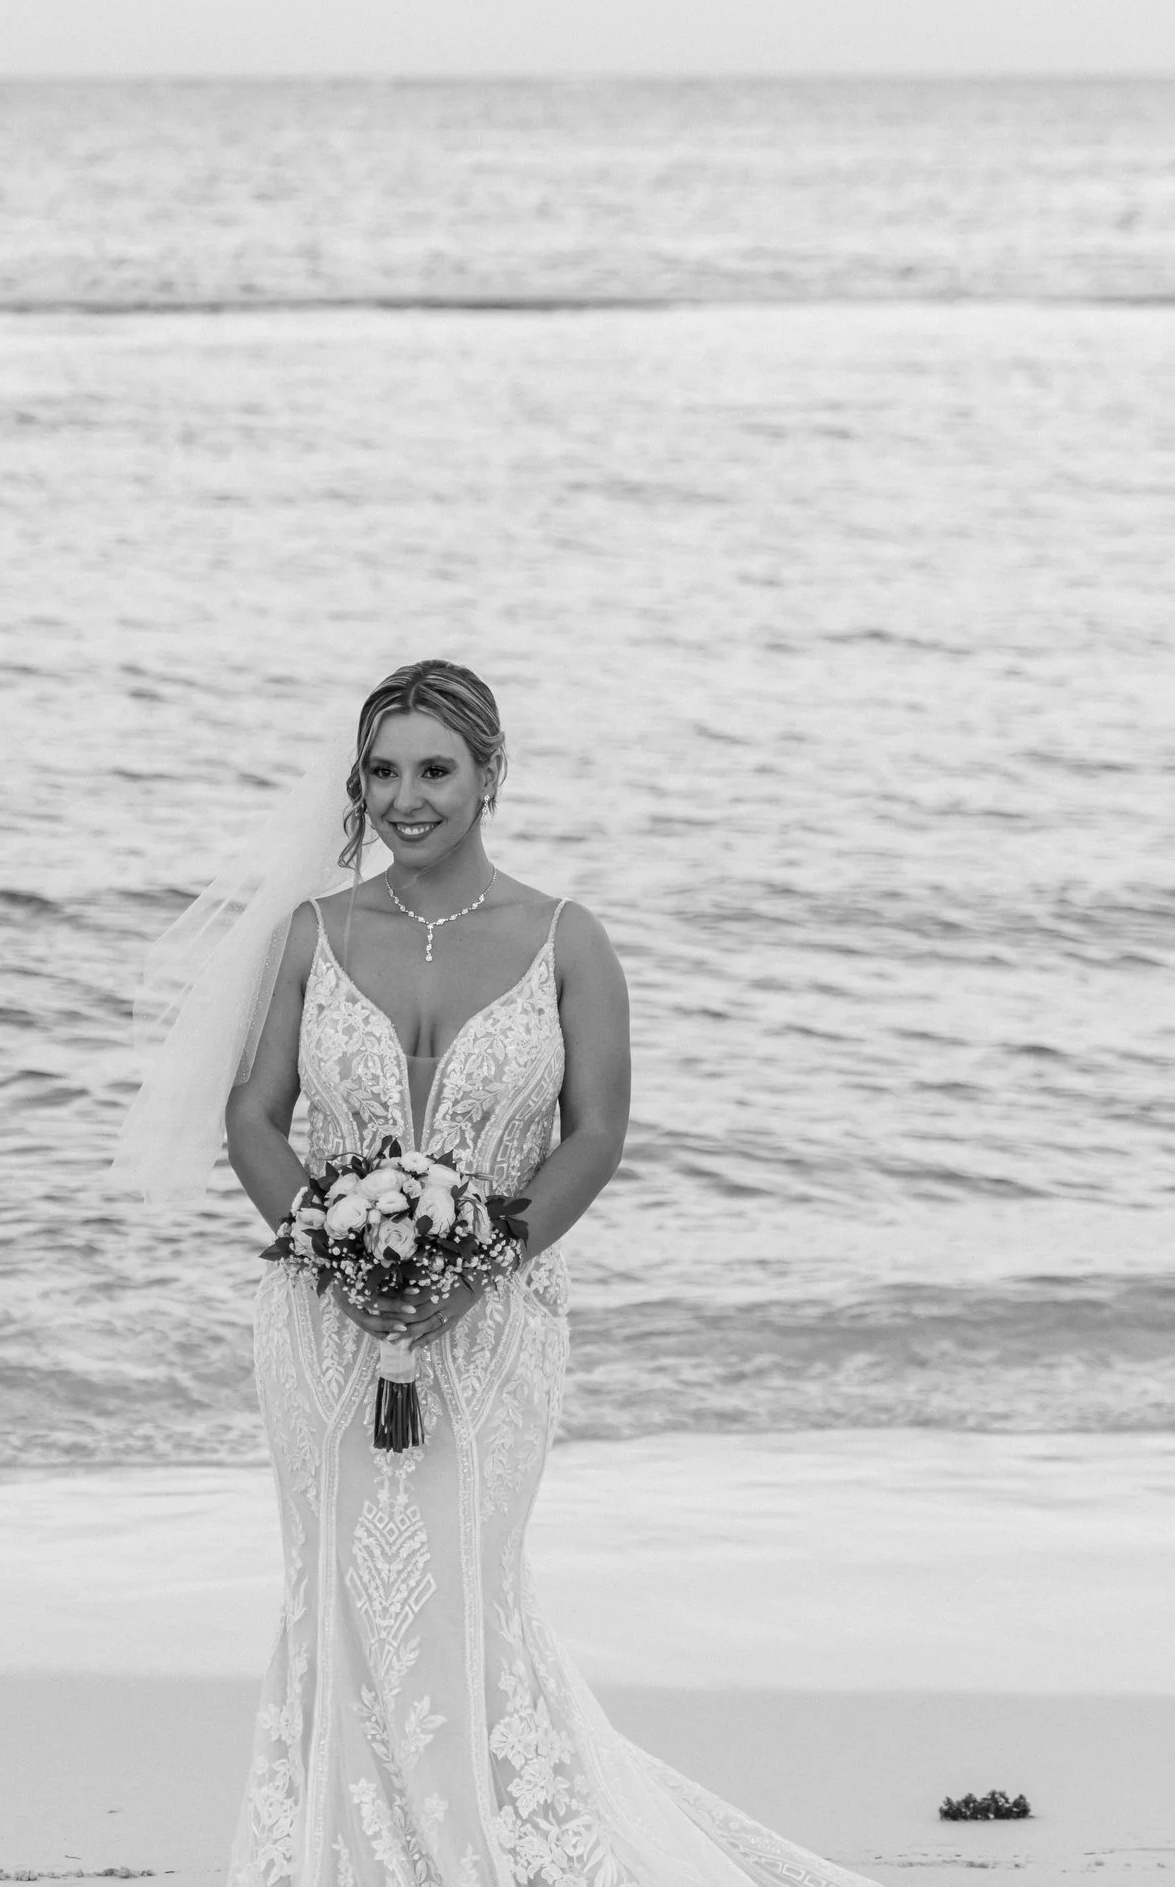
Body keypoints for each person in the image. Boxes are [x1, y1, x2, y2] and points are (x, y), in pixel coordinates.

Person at [111, 660, 872, 1887]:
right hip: (322, 1324)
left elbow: (596, 1132)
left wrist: (485, 1262)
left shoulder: (567, 938)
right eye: (384, 772)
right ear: (355, 784)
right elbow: (252, 1117)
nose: (407, 798)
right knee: (339, 1592)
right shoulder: (313, 932)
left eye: (435, 770)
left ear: (488, 775)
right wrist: (328, 1239)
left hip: (498, 1321)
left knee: (462, 1583)